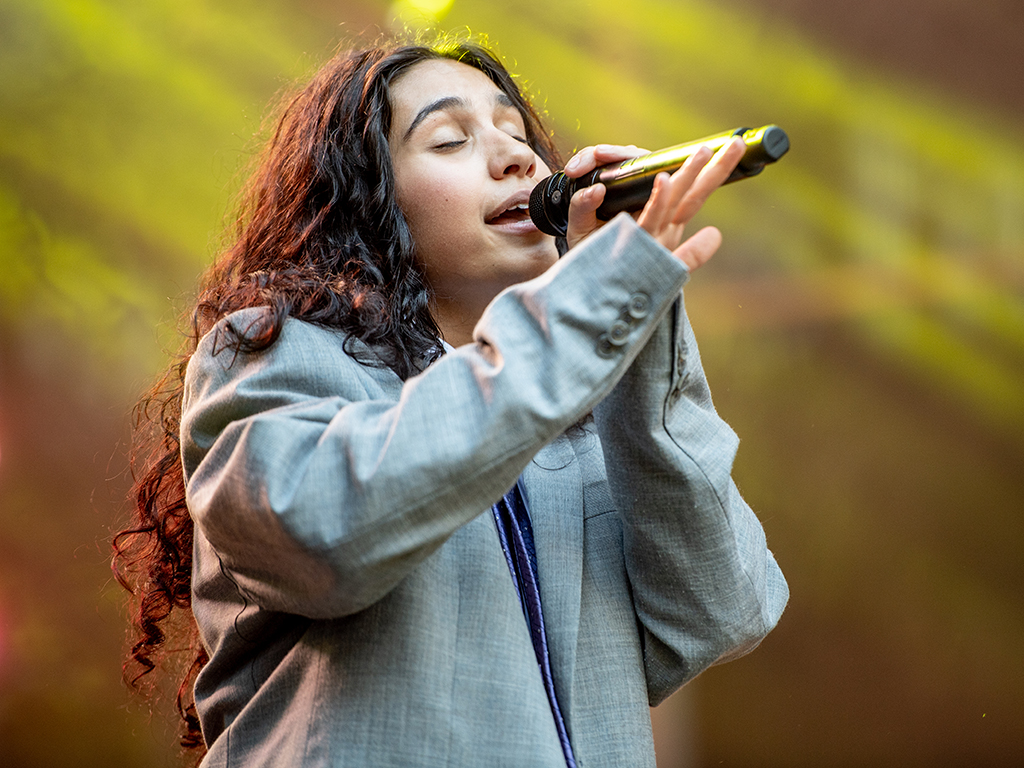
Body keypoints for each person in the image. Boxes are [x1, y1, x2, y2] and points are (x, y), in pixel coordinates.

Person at [113, 34, 788, 768]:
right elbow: (325, 535)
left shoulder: (573, 420)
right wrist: (584, 319)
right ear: (366, 203)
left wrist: (634, 323)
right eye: (449, 139)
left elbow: (722, 610)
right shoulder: (270, 353)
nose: (518, 159)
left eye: (517, 133)